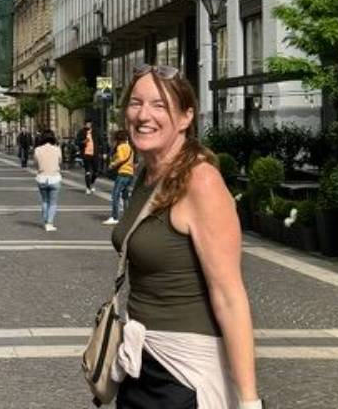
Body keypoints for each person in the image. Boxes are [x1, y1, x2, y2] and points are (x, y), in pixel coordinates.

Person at [109, 64, 259, 409]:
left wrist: (249, 402)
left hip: (183, 375)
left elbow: (230, 296)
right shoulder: (148, 174)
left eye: (159, 105)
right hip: (140, 362)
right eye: (136, 103)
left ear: (185, 117)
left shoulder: (201, 181)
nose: (143, 115)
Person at [32, 129, 63, 231]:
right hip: (54, 178)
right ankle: (49, 223)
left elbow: (35, 163)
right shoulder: (57, 149)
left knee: (45, 201)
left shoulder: (37, 149)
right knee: (53, 203)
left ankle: (46, 222)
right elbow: (60, 161)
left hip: (42, 178)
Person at [103, 129, 135, 225]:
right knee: (125, 196)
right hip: (130, 173)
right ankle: (127, 217)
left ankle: (114, 217)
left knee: (115, 195)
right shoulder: (129, 147)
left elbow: (121, 158)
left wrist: (112, 165)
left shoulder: (121, 147)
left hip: (122, 172)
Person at [75, 120, 98, 194]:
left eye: (89, 124)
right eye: (87, 124)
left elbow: (101, 141)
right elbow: (77, 142)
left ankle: (92, 182)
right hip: (86, 154)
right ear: (84, 125)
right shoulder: (81, 132)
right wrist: (83, 142)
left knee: (96, 171)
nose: (88, 125)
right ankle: (88, 187)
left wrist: (104, 152)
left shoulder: (95, 132)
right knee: (87, 171)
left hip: (95, 154)